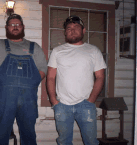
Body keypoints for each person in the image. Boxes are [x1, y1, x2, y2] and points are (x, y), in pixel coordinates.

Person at [0, 13, 47, 145]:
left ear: (23, 27)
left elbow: (43, 68)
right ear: (6, 27)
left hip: (28, 99)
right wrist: (1, 79)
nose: (15, 27)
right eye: (12, 25)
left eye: (18, 24)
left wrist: (32, 82)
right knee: (0, 136)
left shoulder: (34, 47)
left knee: (29, 136)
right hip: (4, 97)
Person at [46, 15, 107, 145]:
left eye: (76, 27)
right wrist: (54, 101)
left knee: (91, 141)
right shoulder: (57, 51)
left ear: (83, 30)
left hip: (86, 105)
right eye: (69, 28)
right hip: (62, 105)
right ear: (65, 32)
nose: (72, 30)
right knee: (63, 142)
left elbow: (100, 77)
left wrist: (91, 100)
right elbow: (50, 77)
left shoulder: (94, 51)